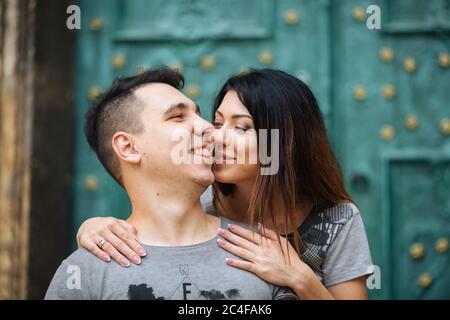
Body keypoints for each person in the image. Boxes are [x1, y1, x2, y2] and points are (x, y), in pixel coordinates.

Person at [76, 69, 373, 299]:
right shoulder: (197, 200)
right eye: (218, 123)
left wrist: (299, 276)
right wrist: (91, 227)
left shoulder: (337, 220)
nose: (215, 136)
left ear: (283, 144)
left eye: (241, 128)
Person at [45, 68, 297, 300]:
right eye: (177, 117)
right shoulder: (83, 273)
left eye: (199, 115)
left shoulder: (265, 253)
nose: (209, 128)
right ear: (129, 147)